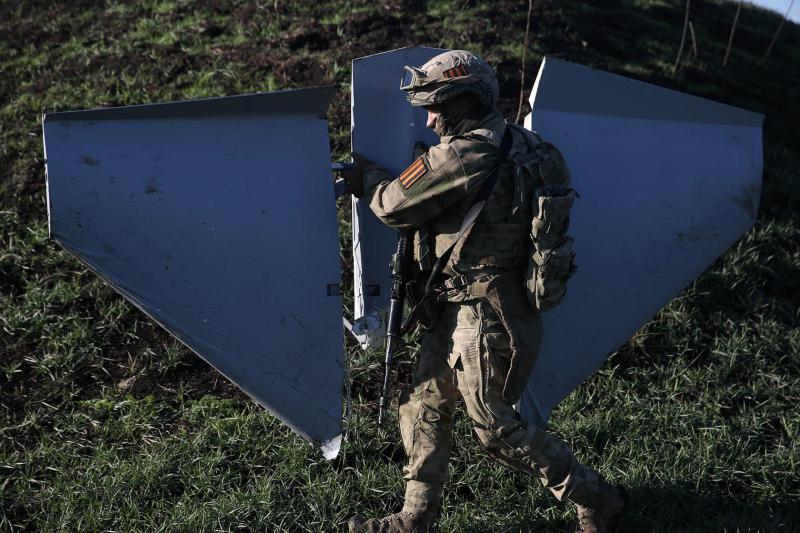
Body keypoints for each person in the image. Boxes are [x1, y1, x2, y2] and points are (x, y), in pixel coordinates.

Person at [341, 50, 627, 533]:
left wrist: (366, 177)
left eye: (436, 107)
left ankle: (597, 497)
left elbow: (392, 206)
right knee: (423, 404)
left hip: (483, 315)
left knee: (495, 429)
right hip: (471, 306)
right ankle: (415, 518)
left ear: (464, 102)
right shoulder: (537, 148)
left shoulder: (462, 154)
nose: (430, 120)